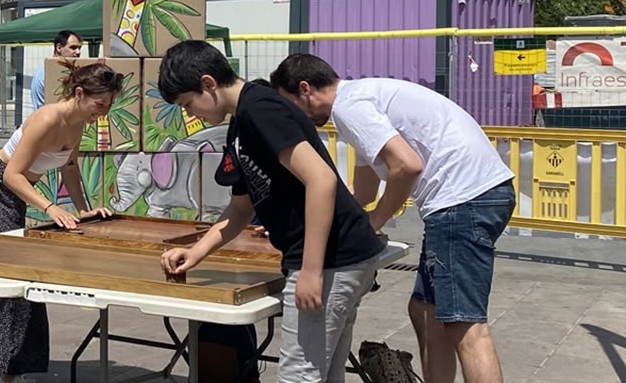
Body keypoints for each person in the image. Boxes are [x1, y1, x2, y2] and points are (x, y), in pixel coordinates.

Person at [270, 53, 515, 383]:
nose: (293, 116)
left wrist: (376, 221)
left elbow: (407, 165)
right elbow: (364, 192)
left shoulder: (349, 107)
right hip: (468, 198)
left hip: (462, 201)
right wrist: (332, 226)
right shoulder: (357, 102)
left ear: (305, 89)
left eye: (290, 105)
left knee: (464, 324)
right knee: (424, 311)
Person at [157, 41, 386, 383]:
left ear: (208, 84)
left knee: (299, 376)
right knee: (324, 374)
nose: (191, 114)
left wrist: (311, 271)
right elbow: (239, 208)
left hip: (334, 260)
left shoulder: (260, 109)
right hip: (337, 259)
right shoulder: (241, 123)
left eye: (188, 104)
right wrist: (196, 252)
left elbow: (321, 180)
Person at [0, 59, 122, 383]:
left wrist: (83, 210)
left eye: (108, 105)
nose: (103, 112)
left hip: (14, 195)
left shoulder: (78, 121)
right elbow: (11, 174)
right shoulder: (47, 118)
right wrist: (51, 207)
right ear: (80, 93)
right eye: (100, 104)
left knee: (23, 283)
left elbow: (69, 168)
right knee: (0, 280)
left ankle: (7, 368)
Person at [29, 30, 82, 113]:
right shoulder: (46, 74)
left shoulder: (66, 71)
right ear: (59, 48)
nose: (78, 52)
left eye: (79, 48)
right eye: (73, 47)